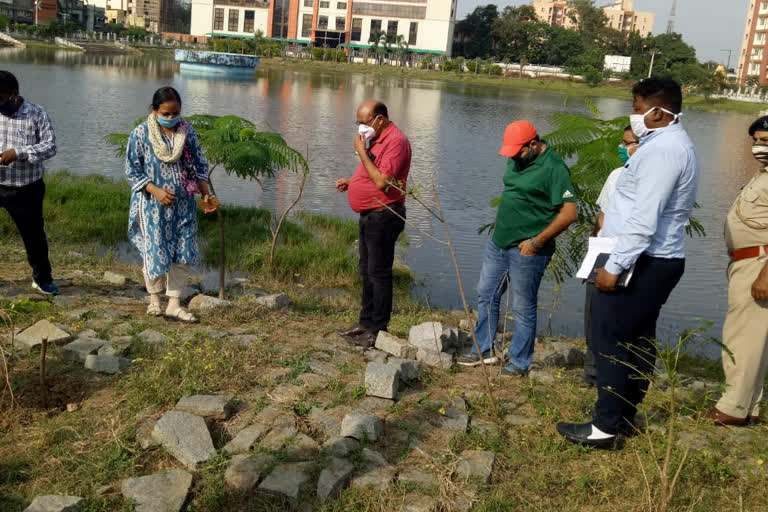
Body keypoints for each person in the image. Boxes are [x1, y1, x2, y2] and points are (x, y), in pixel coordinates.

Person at [557, 78, 699, 447]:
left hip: (643, 259)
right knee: (636, 340)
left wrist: (615, 266)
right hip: (653, 258)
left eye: (637, 109)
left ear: (657, 111)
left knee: (611, 338)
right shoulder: (669, 145)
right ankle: (624, 416)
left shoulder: (663, 151)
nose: (633, 116)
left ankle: (605, 427)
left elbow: (643, 217)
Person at [457, 121, 578, 375]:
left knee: (523, 307)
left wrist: (536, 242)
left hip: (528, 251)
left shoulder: (554, 168)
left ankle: (519, 362)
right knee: (486, 294)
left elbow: (569, 214)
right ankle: (484, 349)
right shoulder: (517, 158)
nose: (513, 157)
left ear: (533, 144)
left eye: (518, 152)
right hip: (499, 242)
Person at [125, 86, 215, 323]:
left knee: (183, 251)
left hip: (183, 204)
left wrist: (205, 193)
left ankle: (174, 303)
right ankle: (154, 299)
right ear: (155, 111)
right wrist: (155, 190)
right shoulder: (141, 134)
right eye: (166, 113)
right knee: (154, 250)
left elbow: (199, 164)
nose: (172, 117)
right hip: (152, 205)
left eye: (176, 112)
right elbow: (132, 170)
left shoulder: (187, 132)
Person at [704, 116, 768, 426]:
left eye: (766, 141)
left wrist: (766, 273)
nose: (759, 146)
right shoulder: (762, 174)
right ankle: (748, 406)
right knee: (752, 337)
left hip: (760, 263)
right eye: (757, 140)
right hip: (746, 262)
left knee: (742, 337)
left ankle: (732, 407)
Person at [335, 100, 411, 348]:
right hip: (369, 214)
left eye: (364, 123)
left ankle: (378, 330)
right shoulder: (376, 140)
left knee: (379, 273)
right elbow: (371, 172)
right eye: (358, 123)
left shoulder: (396, 142)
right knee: (366, 270)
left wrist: (360, 152)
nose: (360, 128)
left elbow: (382, 182)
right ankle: (364, 323)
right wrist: (352, 182)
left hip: (385, 214)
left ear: (379, 119)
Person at [582, 126, 639, 387]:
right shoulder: (616, 175)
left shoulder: (656, 180)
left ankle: (620, 373)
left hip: (633, 254)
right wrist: (592, 252)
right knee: (594, 313)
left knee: (624, 317)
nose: (623, 147)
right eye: (622, 142)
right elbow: (602, 217)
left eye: (629, 143)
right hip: (603, 251)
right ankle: (592, 370)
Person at [0, 71, 58, 295]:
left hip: (26, 188)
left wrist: (19, 152)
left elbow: (50, 146)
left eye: (2, 98)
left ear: (14, 95)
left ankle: (42, 279)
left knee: (34, 237)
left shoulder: (36, 114)